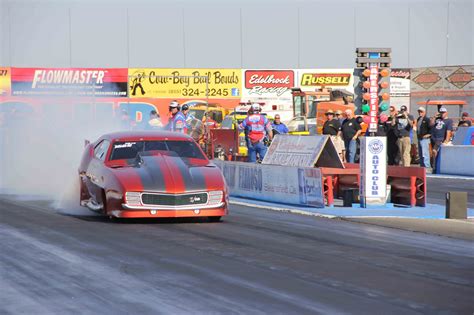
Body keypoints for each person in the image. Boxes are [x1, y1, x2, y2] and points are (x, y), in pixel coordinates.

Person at [430, 107, 453, 172]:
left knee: (434, 151)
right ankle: (434, 166)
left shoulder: (449, 121)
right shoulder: (438, 119)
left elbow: (449, 131)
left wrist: (446, 140)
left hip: (440, 138)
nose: (442, 114)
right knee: (433, 153)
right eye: (441, 113)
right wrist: (434, 117)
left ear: (446, 113)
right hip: (434, 138)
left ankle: (435, 167)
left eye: (443, 112)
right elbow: (431, 124)